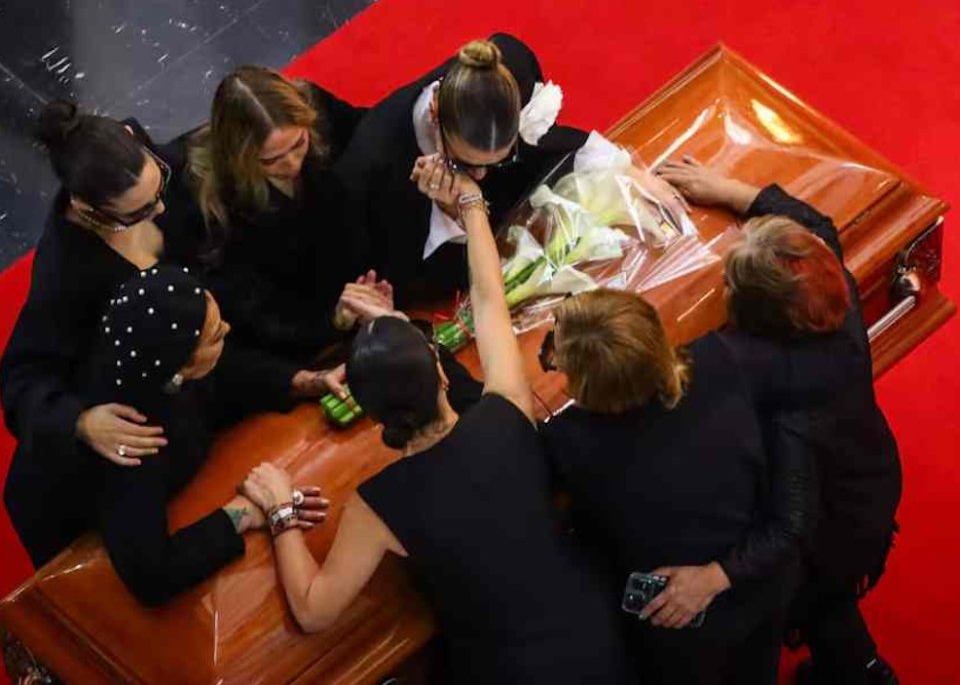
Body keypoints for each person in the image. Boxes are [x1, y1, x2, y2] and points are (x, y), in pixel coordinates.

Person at [240, 172, 631, 684]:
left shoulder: (377, 503)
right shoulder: (506, 411)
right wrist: (469, 202)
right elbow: (488, 299)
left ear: (370, 414)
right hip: (596, 641)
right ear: (443, 373)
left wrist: (281, 509)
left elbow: (314, 611)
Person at [0, 101, 340, 567]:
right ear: (86, 208)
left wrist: (293, 377)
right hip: (111, 448)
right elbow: (22, 380)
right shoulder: (67, 277)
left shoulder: (141, 166)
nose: (161, 207)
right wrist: (80, 421)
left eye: (159, 186)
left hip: (188, 385)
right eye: (140, 211)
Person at [657, 156, 901, 685]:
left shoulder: (776, 394)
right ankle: (862, 672)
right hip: (870, 477)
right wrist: (724, 189)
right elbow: (817, 227)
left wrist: (713, 578)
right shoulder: (833, 295)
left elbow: (790, 527)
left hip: (832, 524)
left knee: (821, 600)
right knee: (831, 609)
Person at [7, 266, 327, 604]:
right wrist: (242, 512)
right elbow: (153, 573)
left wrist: (300, 381)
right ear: (180, 369)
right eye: (216, 335)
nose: (228, 330)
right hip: (64, 512)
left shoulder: (153, 351)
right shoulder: (132, 443)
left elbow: (223, 376)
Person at [541, 288, 812, 685]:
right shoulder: (722, 357)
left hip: (683, 625)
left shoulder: (571, 442)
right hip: (763, 582)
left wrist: (713, 578)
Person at [334, 34, 588, 305]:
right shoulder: (377, 167)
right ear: (434, 112)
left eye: (500, 159)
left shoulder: (513, 70)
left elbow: (543, 150)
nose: (480, 176)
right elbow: (408, 281)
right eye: (467, 164)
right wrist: (450, 217)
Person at [187, 66, 391, 390]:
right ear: (239, 159)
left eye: (299, 144)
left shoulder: (318, 110)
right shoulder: (218, 204)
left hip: (359, 277)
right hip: (300, 326)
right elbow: (256, 313)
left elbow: (371, 143)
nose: (292, 163)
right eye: (271, 160)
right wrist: (332, 321)